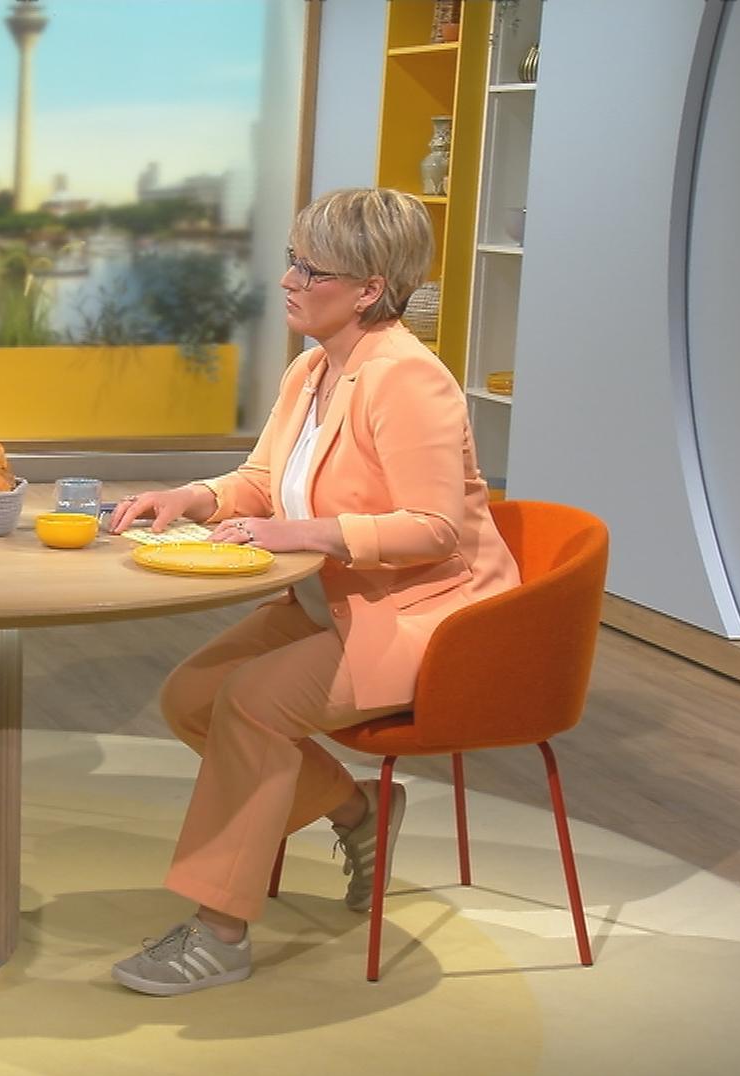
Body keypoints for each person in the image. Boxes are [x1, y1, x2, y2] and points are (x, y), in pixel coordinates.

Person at [102, 187, 522, 996]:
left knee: (254, 703)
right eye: (292, 259)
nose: (289, 279)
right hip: (333, 605)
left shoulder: (410, 380)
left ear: (368, 288)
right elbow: (263, 480)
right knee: (191, 695)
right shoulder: (311, 369)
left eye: (309, 266)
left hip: (426, 622)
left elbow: (434, 527)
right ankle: (360, 816)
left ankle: (220, 933)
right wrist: (194, 498)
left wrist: (312, 533)